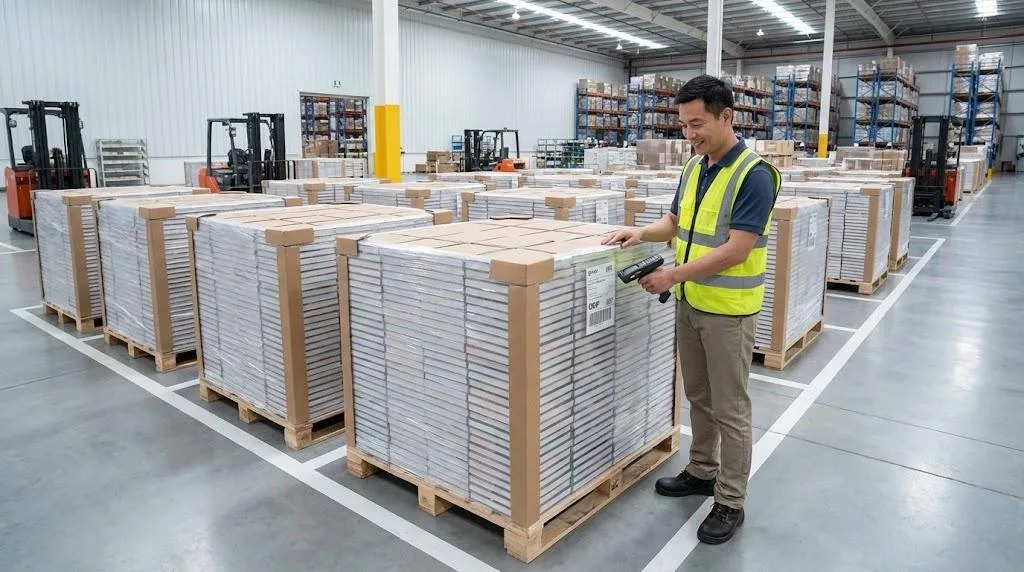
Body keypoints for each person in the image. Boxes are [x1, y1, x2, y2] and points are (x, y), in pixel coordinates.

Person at [602, 74, 780, 545]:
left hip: (728, 311)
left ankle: (730, 500)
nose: (690, 134)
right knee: (698, 398)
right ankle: (702, 471)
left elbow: (736, 250)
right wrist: (638, 233)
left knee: (731, 409)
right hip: (692, 303)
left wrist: (671, 277)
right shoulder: (695, 168)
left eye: (697, 123)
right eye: (683, 125)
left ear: (728, 116)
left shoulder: (755, 175)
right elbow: (677, 222)